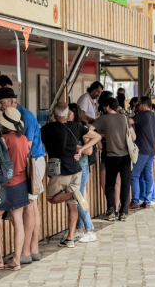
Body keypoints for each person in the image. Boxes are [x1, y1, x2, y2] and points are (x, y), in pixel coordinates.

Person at [0, 87, 47, 263]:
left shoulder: (25, 116)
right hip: (28, 163)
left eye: (1, 103)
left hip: (33, 162)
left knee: (30, 206)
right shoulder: (17, 115)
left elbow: (27, 147)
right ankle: (31, 249)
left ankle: (26, 251)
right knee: (30, 207)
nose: (0, 107)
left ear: (11, 101)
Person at [41, 102, 100, 247]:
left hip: (60, 171)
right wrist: (81, 150)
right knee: (72, 206)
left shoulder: (47, 128)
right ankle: (70, 239)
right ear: (67, 114)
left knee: (51, 198)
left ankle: (73, 195)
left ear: (55, 114)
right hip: (76, 170)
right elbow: (97, 137)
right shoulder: (76, 127)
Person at [0, 107, 30, 271]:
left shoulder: (4, 139)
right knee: (18, 222)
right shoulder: (23, 138)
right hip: (22, 183)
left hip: (6, 186)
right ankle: (16, 260)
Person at [92, 98, 135, 221]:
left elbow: (88, 129)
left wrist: (99, 138)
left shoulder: (103, 119)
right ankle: (124, 213)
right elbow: (133, 137)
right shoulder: (124, 118)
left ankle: (111, 212)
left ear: (107, 107)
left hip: (111, 156)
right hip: (126, 156)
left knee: (110, 185)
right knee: (125, 184)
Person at [67, 104, 98, 243]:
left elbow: (89, 151)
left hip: (82, 167)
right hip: (75, 168)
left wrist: (73, 147)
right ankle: (79, 229)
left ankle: (90, 229)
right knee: (76, 197)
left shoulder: (81, 128)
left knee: (78, 199)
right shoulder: (68, 127)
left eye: (68, 113)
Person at [129, 97, 155, 209]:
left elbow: (128, 121)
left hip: (142, 150)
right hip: (151, 151)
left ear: (143, 105)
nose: (138, 107)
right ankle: (148, 201)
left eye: (138, 105)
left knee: (134, 175)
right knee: (148, 176)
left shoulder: (141, 116)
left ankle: (135, 201)